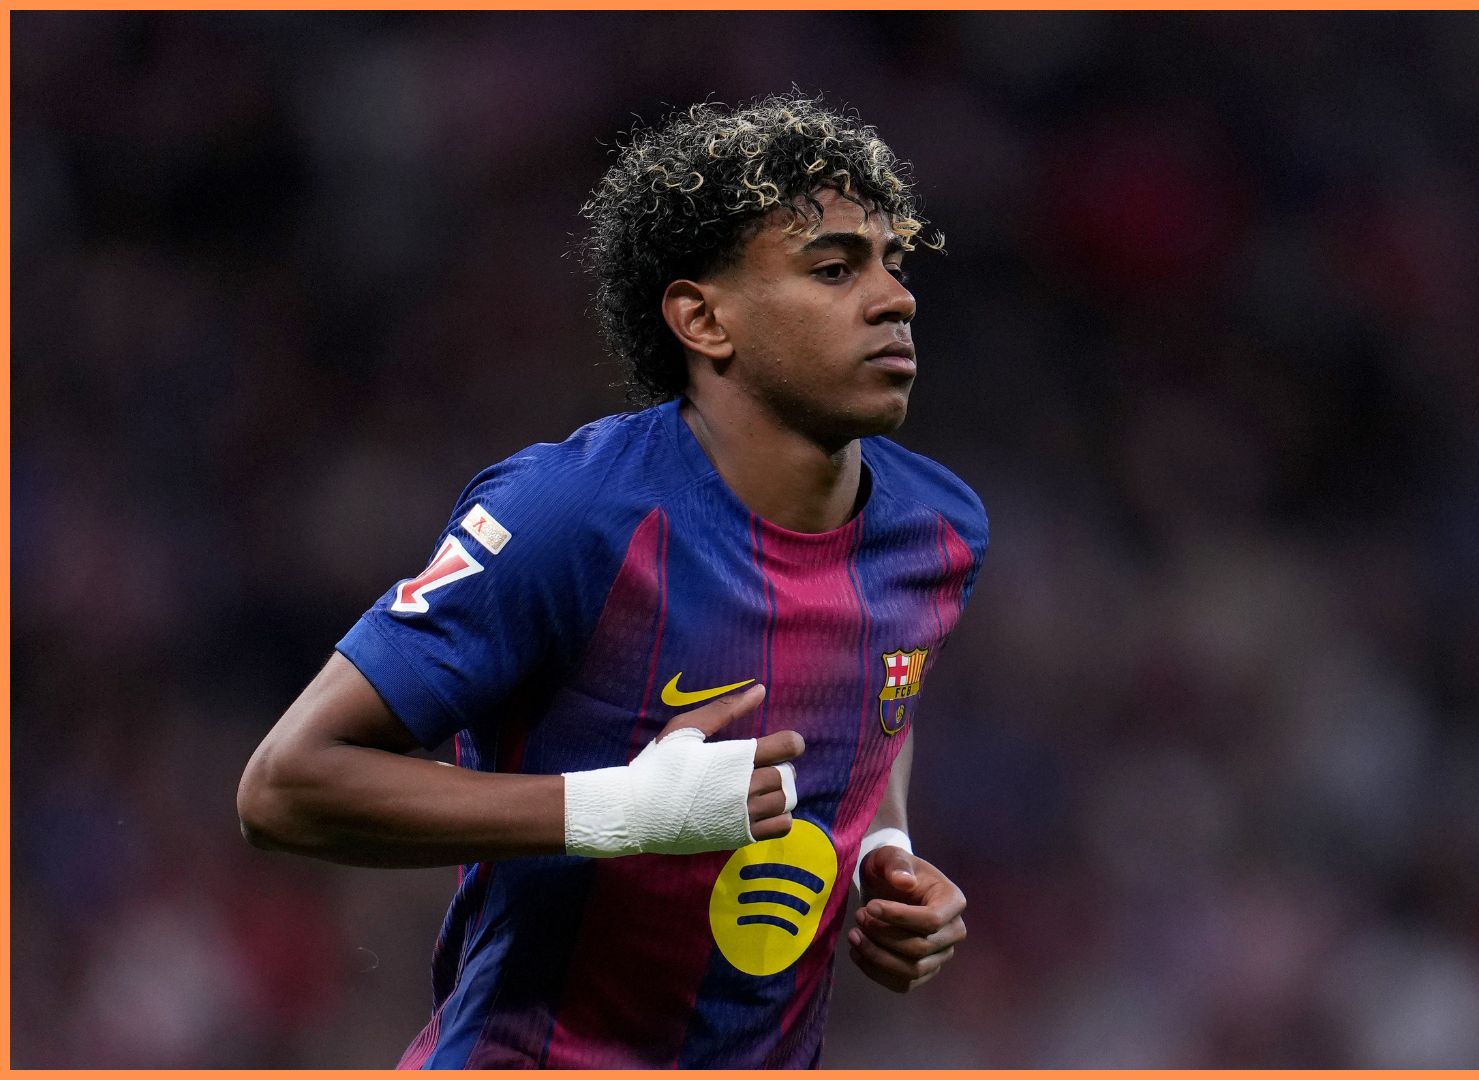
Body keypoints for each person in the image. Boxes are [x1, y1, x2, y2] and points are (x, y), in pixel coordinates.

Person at [237, 93, 986, 1068]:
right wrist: (619, 813)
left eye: (892, 262)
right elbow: (284, 787)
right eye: (835, 268)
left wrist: (885, 856)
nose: (896, 297)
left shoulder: (939, 531)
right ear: (703, 318)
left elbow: (885, 693)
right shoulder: (573, 516)